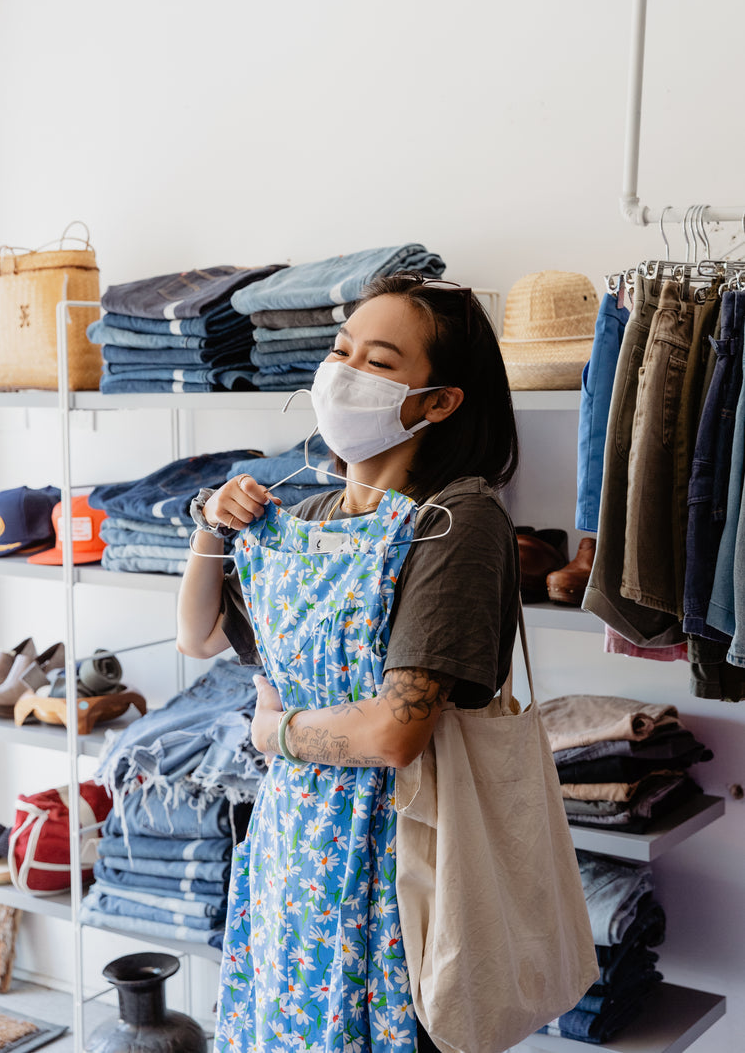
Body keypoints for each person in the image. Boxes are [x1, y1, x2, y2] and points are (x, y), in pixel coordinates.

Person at [177, 272, 521, 1053]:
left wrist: (273, 733)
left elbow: (396, 733)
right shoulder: (307, 517)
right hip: (290, 855)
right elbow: (198, 635)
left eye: (379, 360)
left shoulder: (454, 519)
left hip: (397, 861)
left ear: (438, 401)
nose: (343, 372)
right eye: (341, 350)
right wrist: (209, 524)